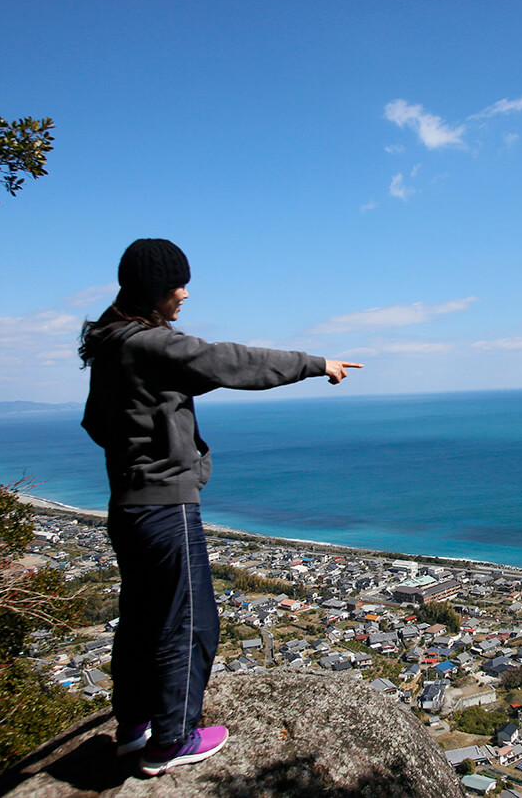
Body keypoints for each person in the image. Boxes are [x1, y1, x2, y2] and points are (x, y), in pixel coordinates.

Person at [78, 238, 360, 776]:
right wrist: (316, 363)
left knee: (140, 617)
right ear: (150, 291)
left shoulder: (111, 345)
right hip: (166, 507)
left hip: (127, 505)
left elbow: (96, 423)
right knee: (189, 620)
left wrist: (143, 444)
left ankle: (133, 727)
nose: (183, 294)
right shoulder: (150, 345)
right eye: (174, 285)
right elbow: (231, 362)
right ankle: (172, 737)